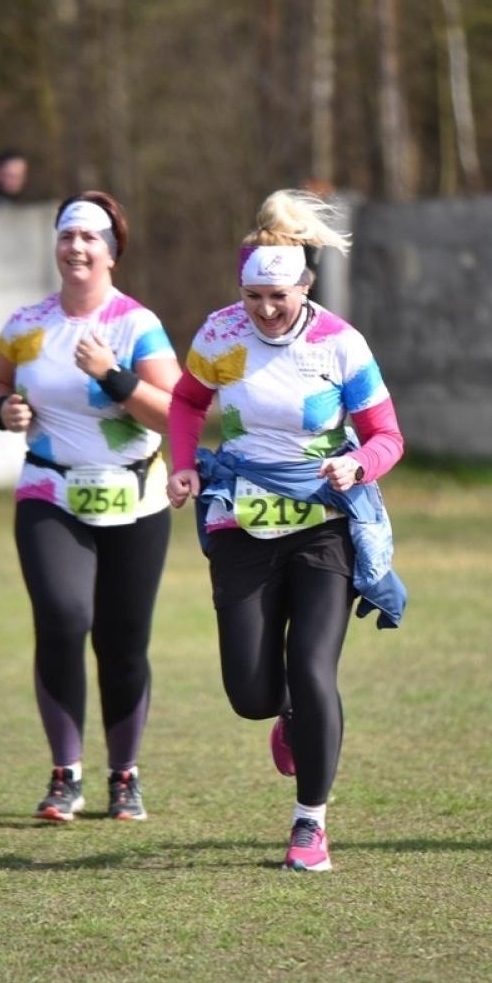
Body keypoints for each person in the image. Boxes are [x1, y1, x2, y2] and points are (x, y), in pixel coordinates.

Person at [166, 189, 407, 872]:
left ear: (306, 285)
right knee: (251, 693)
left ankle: (310, 824)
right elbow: (187, 401)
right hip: (242, 520)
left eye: (280, 296)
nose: (267, 310)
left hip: (323, 526)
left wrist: (356, 463)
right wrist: (184, 467)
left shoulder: (340, 343)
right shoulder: (219, 335)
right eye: (254, 297)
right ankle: (287, 719)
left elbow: (388, 435)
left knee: (312, 669)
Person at [0, 190, 180, 822]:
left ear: (112, 252)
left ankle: (125, 775)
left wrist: (112, 375)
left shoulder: (136, 325)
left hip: (136, 497)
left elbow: (175, 412)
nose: (77, 247)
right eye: (68, 235)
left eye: (91, 237)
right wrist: (3, 409)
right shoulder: (26, 324)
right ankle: (65, 774)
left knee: (123, 642)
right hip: (50, 491)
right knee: (64, 619)